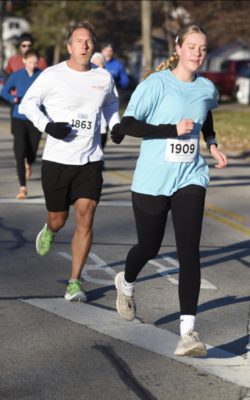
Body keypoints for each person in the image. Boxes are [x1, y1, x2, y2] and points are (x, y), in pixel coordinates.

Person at [110, 25, 227, 357]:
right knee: (149, 246)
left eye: (203, 48)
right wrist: (170, 129)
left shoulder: (207, 88)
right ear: (178, 47)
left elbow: (207, 120)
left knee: (189, 252)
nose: (198, 53)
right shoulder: (156, 84)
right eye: (191, 46)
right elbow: (128, 124)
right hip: (152, 180)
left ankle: (188, 331)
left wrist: (212, 143)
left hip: (190, 177)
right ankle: (126, 282)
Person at [19, 22, 120, 301]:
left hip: (90, 159)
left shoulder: (103, 77)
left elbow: (111, 104)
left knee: (86, 217)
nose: (85, 45)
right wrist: (47, 126)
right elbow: (26, 104)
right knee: (59, 218)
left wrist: (116, 124)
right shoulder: (52, 75)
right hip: (58, 160)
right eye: (79, 41)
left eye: (89, 41)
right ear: (69, 47)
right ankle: (50, 229)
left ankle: (74, 281)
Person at [1, 49, 43, 199]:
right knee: (19, 152)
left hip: (36, 118)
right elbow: (4, 91)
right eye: (30, 62)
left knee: (32, 151)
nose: (32, 65)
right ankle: (22, 187)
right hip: (18, 117)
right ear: (24, 61)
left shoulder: (42, 75)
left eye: (35, 63)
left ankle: (29, 162)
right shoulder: (16, 75)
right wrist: (13, 99)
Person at [91, 52, 109, 149]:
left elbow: (112, 102)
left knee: (100, 147)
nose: (97, 66)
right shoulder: (84, 77)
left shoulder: (108, 79)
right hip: (87, 119)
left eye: (100, 63)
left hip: (102, 120)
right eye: (95, 63)